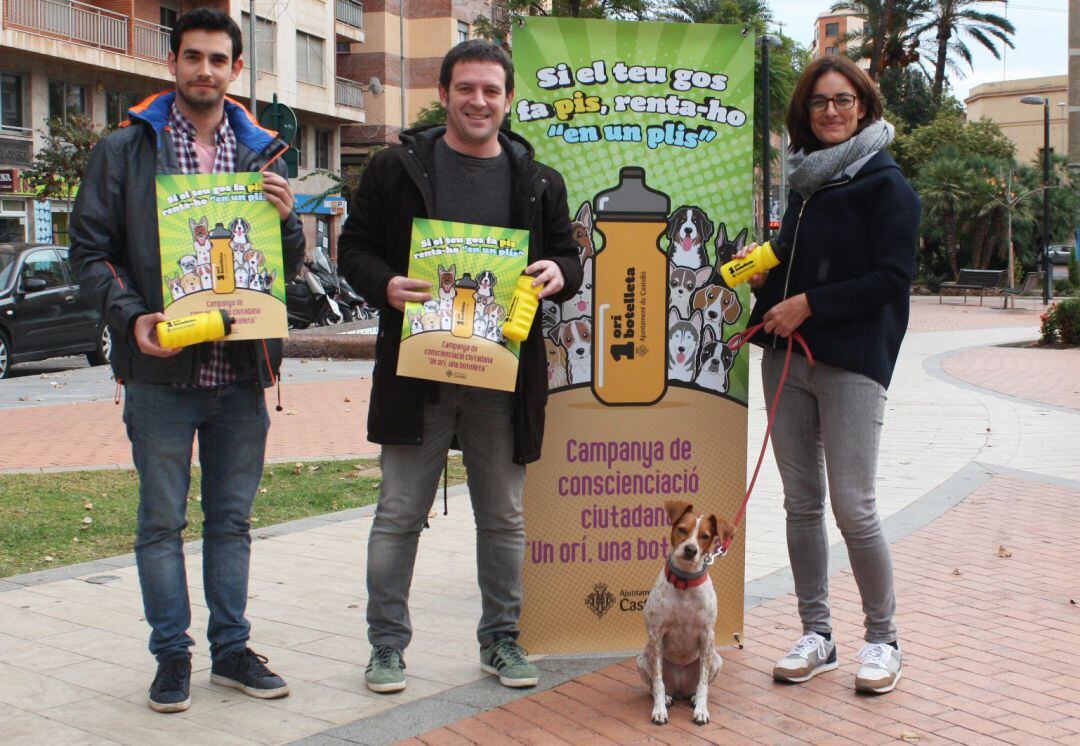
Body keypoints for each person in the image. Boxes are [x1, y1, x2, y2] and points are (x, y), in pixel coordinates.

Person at [69, 8, 305, 713]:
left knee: (231, 522)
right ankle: (171, 657)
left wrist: (288, 221)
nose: (205, 70)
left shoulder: (263, 153)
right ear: (172, 63)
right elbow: (90, 253)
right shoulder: (124, 150)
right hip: (161, 374)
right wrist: (131, 316)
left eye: (218, 59)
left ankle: (231, 649)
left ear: (236, 69)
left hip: (240, 374)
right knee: (160, 523)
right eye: (193, 57)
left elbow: (286, 266)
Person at [337, 39, 583, 693]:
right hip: (416, 373)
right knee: (398, 514)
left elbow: (569, 258)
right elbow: (353, 248)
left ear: (509, 99)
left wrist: (560, 272)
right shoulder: (395, 169)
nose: (479, 101)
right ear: (443, 93)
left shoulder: (538, 182)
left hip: (503, 377)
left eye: (491, 90)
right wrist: (385, 284)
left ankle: (500, 640)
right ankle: (386, 648)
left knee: (503, 517)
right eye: (466, 88)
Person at [741, 55, 919, 694]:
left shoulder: (887, 185)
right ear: (806, 112)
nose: (831, 111)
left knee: (854, 506)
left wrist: (809, 304)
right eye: (819, 102)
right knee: (801, 503)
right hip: (788, 359)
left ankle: (883, 640)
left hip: (852, 364)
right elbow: (794, 259)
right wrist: (766, 285)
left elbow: (891, 279)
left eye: (843, 99)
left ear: (864, 105)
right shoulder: (806, 183)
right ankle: (817, 634)